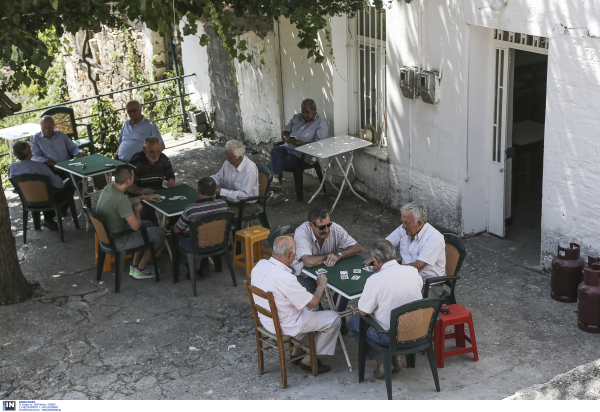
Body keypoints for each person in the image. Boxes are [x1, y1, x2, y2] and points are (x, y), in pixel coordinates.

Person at [251, 236, 341, 374]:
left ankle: (296, 350)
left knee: (311, 309)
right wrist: (321, 286)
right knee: (334, 318)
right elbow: (313, 302)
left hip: (266, 320)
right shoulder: (285, 278)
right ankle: (309, 360)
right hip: (284, 324)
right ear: (290, 255)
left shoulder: (259, 265)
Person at [348, 240, 423, 379]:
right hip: (419, 331)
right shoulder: (412, 271)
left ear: (375, 261)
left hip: (392, 337)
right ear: (394, 254)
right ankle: (397, 359)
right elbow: (417, 288)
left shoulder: (375, 280)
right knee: (395, 311)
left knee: (353, 322)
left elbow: (363, 312)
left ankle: (381, 362)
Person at [292, 205, 362, 334]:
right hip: (303, 275)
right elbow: (308, 262)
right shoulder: (302, 232)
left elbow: (357, 247)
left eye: (328, 225)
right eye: (322, 227)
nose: (327, 229)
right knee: (313, 301)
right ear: (311, 225)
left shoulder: (333, 227)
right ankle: (323, 326)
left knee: (346, 283)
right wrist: (329, 256)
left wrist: (339, 255)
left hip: (328, 271)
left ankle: (338, 317)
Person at [96, 164, 166, 279]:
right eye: (133, 178)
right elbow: (136, 227)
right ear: (128, 181)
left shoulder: (108, 188)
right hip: (119, 240)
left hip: (107, 237)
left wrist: (143, 198)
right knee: (161, 232)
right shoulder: (120, 199)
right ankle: (141, 269)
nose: (134, 180)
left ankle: (134, 266)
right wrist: (137, 212)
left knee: (148, 224)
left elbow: (124, 203)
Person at [365, 202, 446, 298]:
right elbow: (386, 245)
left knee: (395, 304)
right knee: (381, 296)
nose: (403, 226)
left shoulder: (434, 238)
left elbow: (417, 266)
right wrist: (377, 256)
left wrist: (389, 269)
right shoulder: (404, 229)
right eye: (402, 222)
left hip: (428, 286)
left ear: (419, 223)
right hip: (405, 280)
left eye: (407, 223)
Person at [267, 98, 329, 205]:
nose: (304, 115)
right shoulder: (297, 117)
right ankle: (276, 183)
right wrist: (286, 138)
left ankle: (275, 193)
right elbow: (285, 130)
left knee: (274, 163)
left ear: (315, 110)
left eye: (307, 112)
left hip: (301, 155)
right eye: (303, 112)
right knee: (275, 150)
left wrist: (303, 145)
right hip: (287, 148)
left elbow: (319, 145)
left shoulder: (320, 124)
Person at [8, 141, 73, 231]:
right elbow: (59, 184)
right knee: (69, 186)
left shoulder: (12, 168)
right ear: (30, 152)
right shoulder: (40, 167)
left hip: (28, 200)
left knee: (42, 190)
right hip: (47, 200)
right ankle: (52, 216)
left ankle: (47, 219)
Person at [172, 177, 229, 278]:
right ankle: (204, 265)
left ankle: (191, 270)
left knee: (174, 236)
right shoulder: (223, 204)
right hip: (218, 242)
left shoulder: (191, 209)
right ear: (215, 191)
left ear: (197, 191)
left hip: (197, 246)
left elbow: (177, 230)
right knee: (208, 232)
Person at [127, 136, 175, 223]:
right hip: (139, 196)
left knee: (174, 208)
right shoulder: (136, 161)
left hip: (158, 193)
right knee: (146, 214)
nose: (156, 155)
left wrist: (171, 181)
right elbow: (129, 186)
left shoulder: (164, 159)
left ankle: (169, 231)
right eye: (152, 152)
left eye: (158, 152)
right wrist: (142, 190)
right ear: (144, 149)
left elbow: (170, 176)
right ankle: (152, 232)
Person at [210, 140, 259, 217]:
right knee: (208, 209)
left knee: (218, 216)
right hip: (229, 201)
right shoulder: (228, 163)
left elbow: (244, 195)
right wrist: (209, 182)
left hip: (246, 205)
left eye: (230, 157)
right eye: (227, 156)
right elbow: (219, 177)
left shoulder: (250, 168)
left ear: (239, 157)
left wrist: (221, 192)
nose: (227, 159)